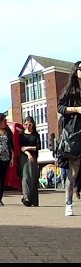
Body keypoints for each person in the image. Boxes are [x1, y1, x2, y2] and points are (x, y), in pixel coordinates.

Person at [57, 60, 81, 216]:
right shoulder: (70, 90)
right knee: (73, 172)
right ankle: (68, 203)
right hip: (75, 134)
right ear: (76, 71)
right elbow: (60, 107)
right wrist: (76, 109)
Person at [18, 116, 41, 207]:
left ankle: (34, 200)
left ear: (33, 124)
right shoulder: (21, 134)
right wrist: (28, 153)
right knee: (26, 177)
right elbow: (21, 147)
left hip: (34, 157)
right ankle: (26, 197)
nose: (28, 126)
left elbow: (38, 147)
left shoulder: (36, 135)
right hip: (24, 157)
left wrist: (28, 148)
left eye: (30, 124)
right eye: (26, 124)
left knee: (33, 178)